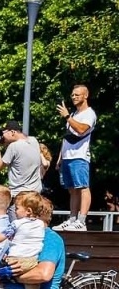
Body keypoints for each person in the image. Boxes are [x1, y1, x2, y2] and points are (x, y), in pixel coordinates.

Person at [54, 85, 96, 230]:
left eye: (77, 95)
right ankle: (72, 219)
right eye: (72, 95)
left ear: (86, 95)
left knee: (83, 187)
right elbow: (66, 137)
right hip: (68, 156)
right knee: (72, 189)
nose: (74, 97)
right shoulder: (74, 114)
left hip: (80, 156)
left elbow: (81, 129)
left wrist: (67, 116)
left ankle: (82, 220)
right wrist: (60, 157)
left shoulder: (89, 114)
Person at [0, 121, 44, 197]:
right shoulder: (33, 140)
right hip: (35, 193)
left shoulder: (14, 146)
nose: (2, 136)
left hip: (19, 194)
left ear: (12, 132)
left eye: (3, 133)